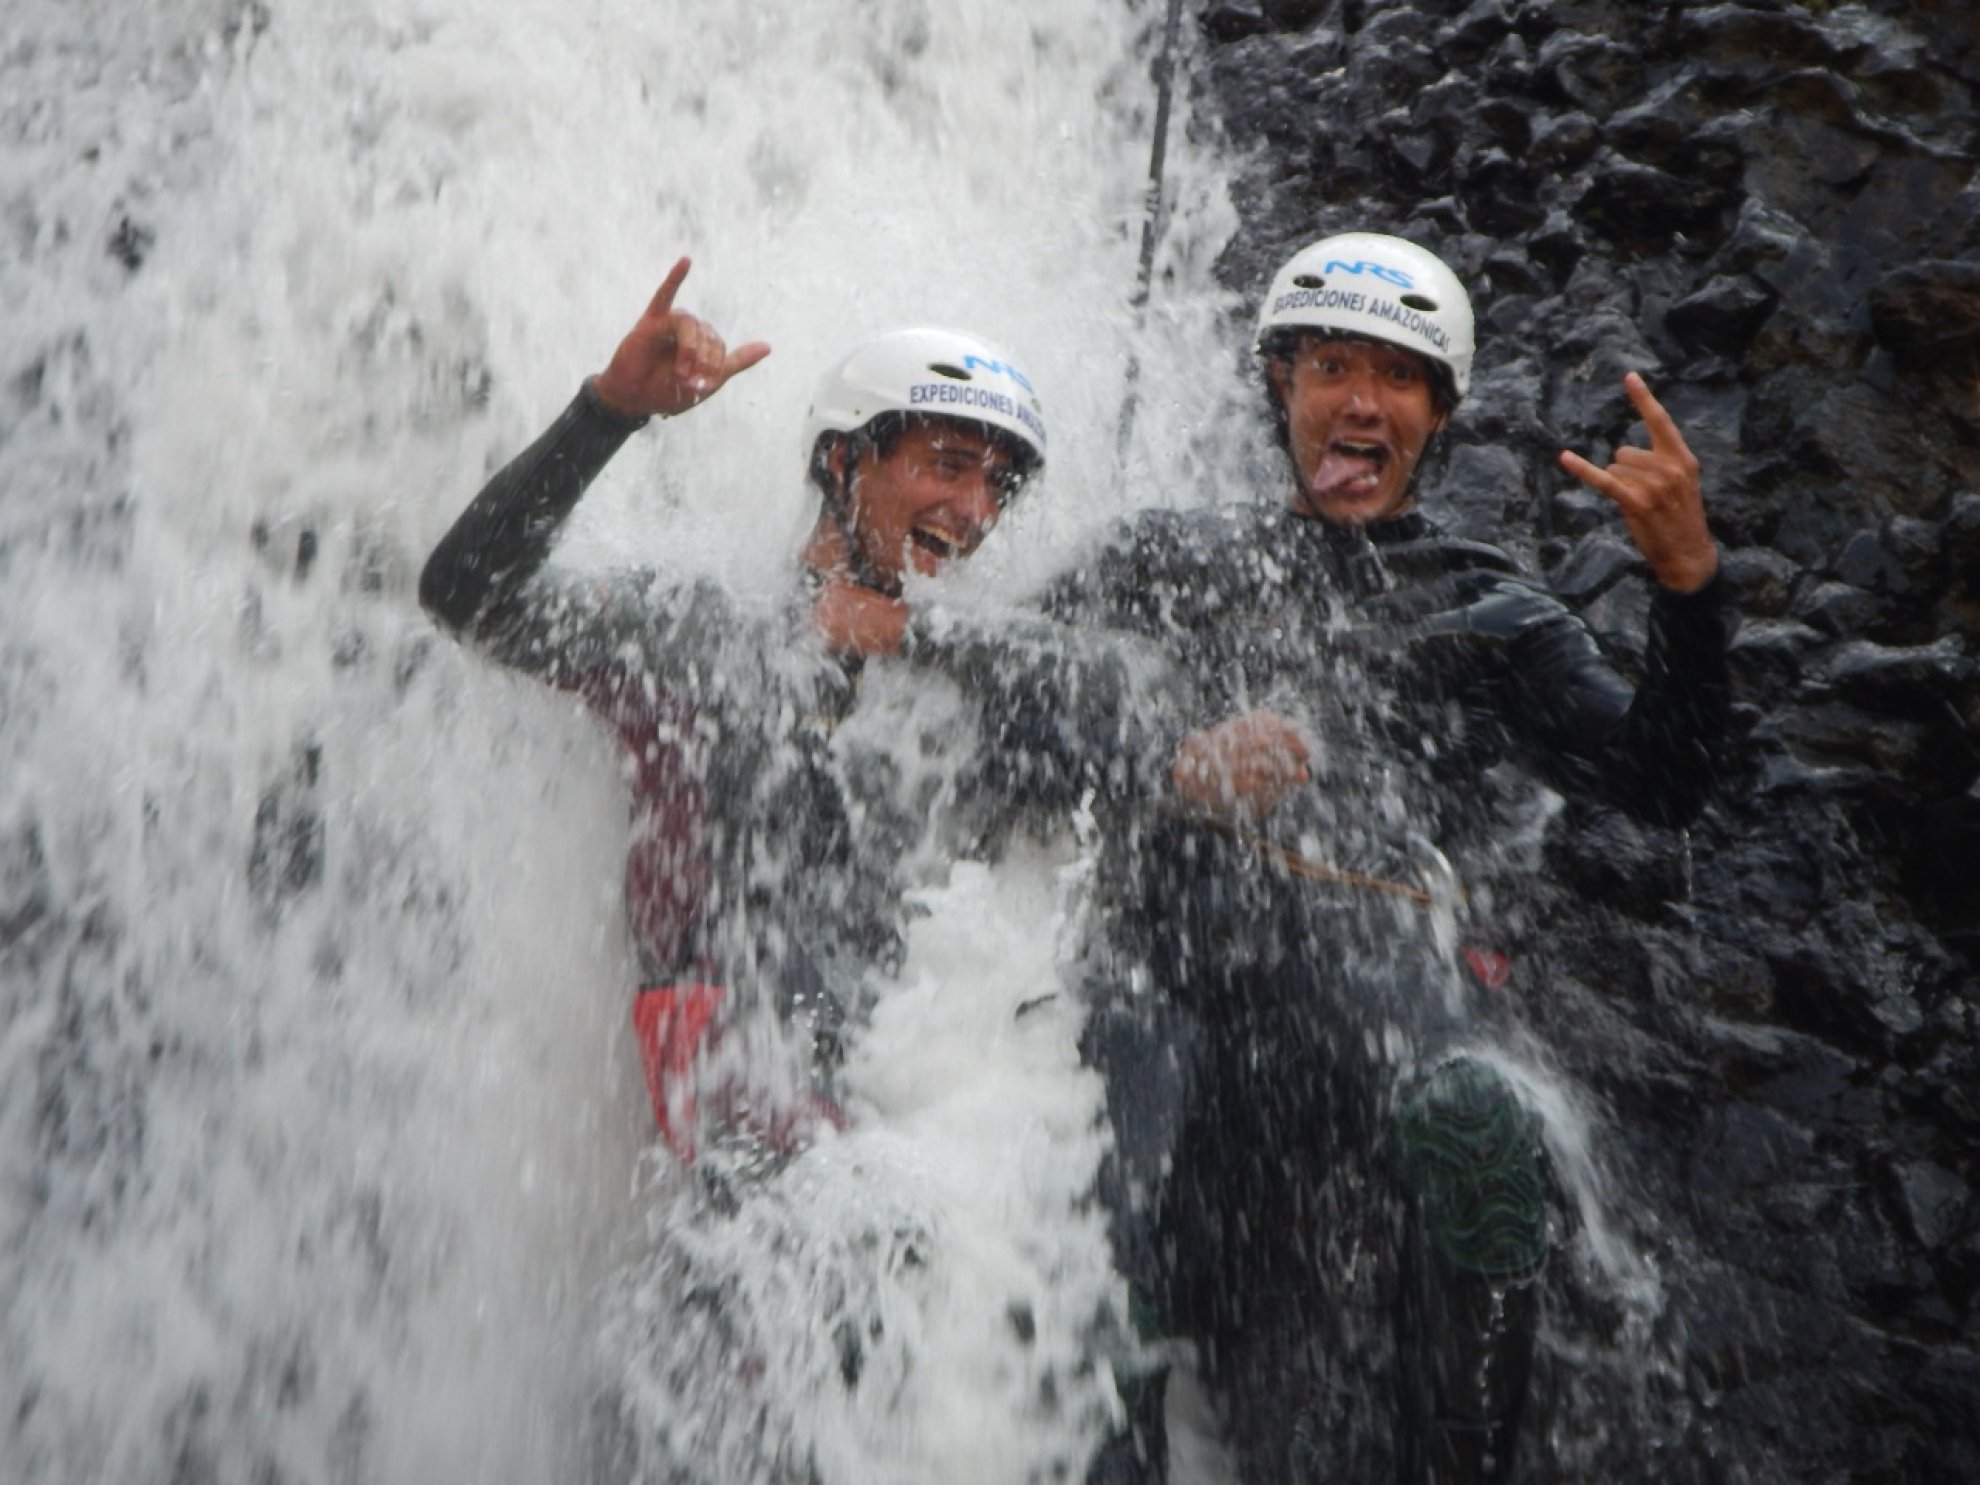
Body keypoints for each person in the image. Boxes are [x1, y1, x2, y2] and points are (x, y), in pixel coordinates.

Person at [1052, 232, 1734, 1484]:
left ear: (1439, 413)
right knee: (1111, 1130)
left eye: (1400, 377)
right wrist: (1159, 754)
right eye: (1330, 365)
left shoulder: (1499, 616)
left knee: (1480, 1119)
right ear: (1280, 386)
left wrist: (1691, 590)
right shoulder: (1153, 562)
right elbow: (1011, 714)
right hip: (1166, 990)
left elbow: (1665, 781)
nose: (1362, 398)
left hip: (1377, 1010)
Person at [419, 255, 1175, 1166]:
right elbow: (469, 595)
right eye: (949, 465)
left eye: (998, 487)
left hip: (920, 1077)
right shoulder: (706, 629)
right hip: (735, 1050)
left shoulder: (971, 675)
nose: (975, 510)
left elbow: (1136, 708)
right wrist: (608, 412)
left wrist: (913, 637)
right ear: (843, 458)